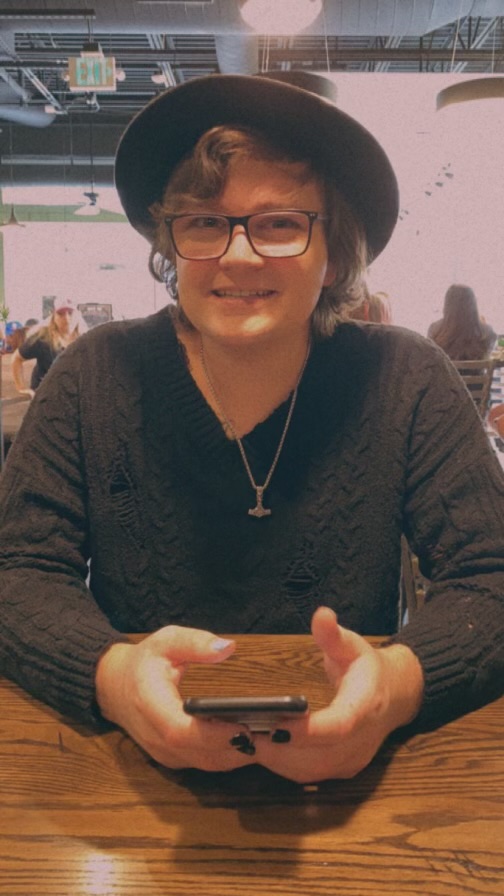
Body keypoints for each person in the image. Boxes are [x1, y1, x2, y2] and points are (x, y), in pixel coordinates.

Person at [0, 72, 503, 785]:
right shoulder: (93, 375)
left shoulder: (406, 378)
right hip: (129, 771)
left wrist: (395, 686)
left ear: (334, 253)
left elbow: (491, 576)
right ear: (172, 245)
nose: (237, 255)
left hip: (354, 777)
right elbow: (18, 573)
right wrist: (111, 676)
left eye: (280, 224)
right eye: (205, 223)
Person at [11, 299, 86, 398]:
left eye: (70, 313)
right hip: (45, 396)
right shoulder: (42, 339)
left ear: (78, 316)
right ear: (54, 317)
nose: (67, 319)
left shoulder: (85, 340)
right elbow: (16, 358)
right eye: (61, 314)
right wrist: (21, 388)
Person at [428, 283, 496, 360]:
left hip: (446, 368)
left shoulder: (434, 330)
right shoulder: (487, 333)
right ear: (473, 304)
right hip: (478, 368)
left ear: (447, 304)